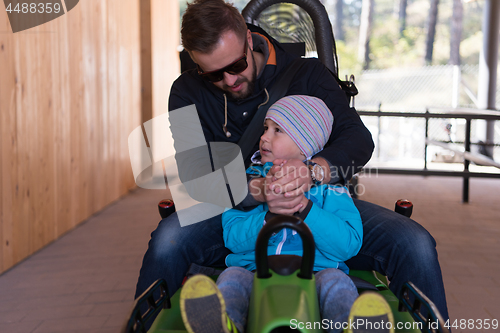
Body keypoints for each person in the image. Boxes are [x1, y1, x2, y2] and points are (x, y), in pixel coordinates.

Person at [135, 0, 450, 326]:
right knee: (166, 243)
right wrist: (258, 190)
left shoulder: (307, 74)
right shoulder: (186, 92)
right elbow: (195, 175)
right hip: (232, 207)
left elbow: (358, 140)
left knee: (416, 244)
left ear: (248, 37)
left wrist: (312, 172)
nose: (229, 81)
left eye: (237, 64)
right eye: (213, 74)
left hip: (319, 201)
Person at [179, 95, 393, 333]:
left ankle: (349, 327)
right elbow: (233, 238)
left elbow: (348, 245)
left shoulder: (331, 190)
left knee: (337, 282)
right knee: (231, 278)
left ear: (305, 144)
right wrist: (269, 217)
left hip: (316, 271)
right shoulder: (249, 184)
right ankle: (222, 325)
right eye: (265, 128)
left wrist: (305, 209)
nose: (263, 137)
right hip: (255, 269)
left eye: (277, 130)